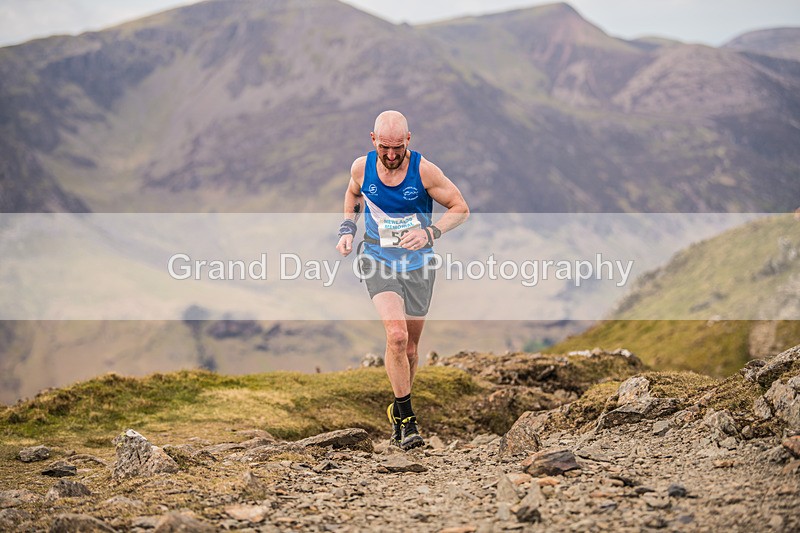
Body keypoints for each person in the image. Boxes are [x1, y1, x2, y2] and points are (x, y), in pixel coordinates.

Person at [336, 110, 469, 450]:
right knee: (395, 336)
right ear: (373, 140)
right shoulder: (360, 168)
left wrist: (431, 231)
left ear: (408, 140)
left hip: (418, 265)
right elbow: (353, 194)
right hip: (377, 259)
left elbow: (460, 208)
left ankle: (397, 409)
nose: (392, 156)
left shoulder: (424, 171)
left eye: (398, 148)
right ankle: (408, 421)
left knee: (410, 348)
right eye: (384, 148)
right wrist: (348, 229)